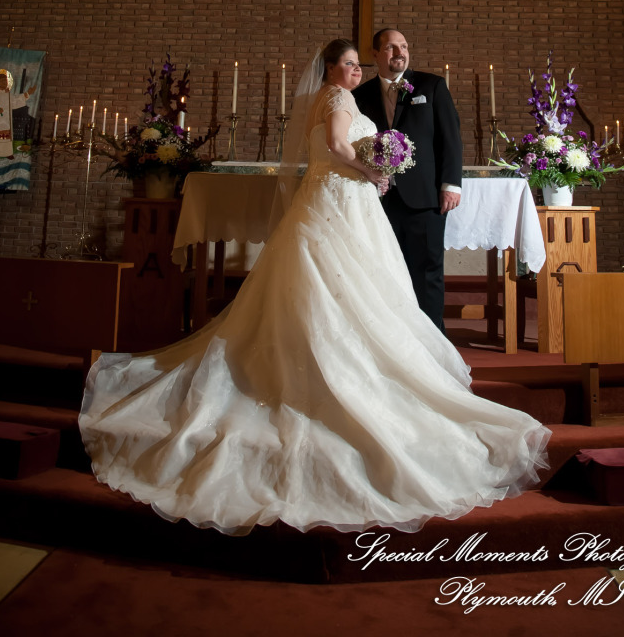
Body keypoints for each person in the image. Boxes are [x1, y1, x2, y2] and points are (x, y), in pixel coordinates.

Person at [79, 39, 549, 535]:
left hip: (344, 201)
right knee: (336, 285)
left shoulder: (356, 95)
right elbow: (338, 147)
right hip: (341, 197)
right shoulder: (342, 99)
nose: (354, 71)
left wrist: (375, 169)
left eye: (355, 65)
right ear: (329, 68)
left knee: (353, 284)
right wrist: (373, 169)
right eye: (347, 64)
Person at [354, 29, 461, 332]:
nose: (399, 52)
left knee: (428, 272)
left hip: (424, 197)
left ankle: (434, 343)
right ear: (375, 55)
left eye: (403, 46)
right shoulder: (360, 96)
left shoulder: (432, 86)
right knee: (384, 272)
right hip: (377, 200)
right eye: (390, 47)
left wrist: (450, 184)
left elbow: (449, 137)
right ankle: (394, 341)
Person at [0, 69, 37, 159]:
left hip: (6, 122)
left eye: (6, 81)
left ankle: (6, 153)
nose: (5, 82)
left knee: (5, 137)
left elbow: (16, 101)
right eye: (2, 80)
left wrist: (28, 93)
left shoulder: (8, 96)